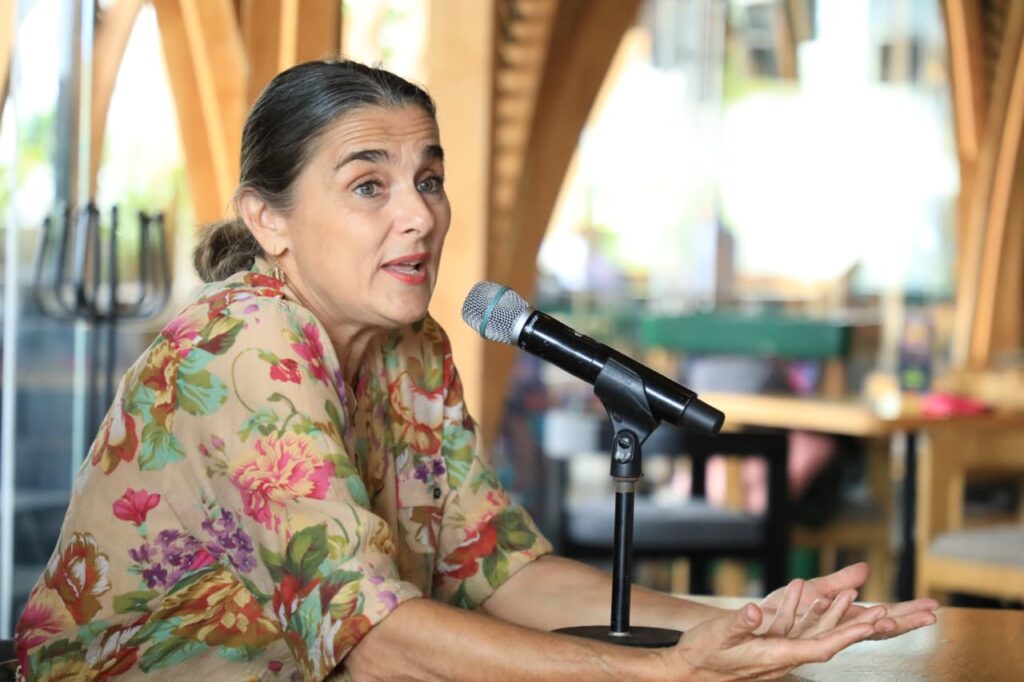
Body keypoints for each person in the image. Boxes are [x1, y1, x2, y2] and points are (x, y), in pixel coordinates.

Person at [14, 59, 938, 681]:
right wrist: (655, 671)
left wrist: (739, 624)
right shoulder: (247, 340)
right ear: (270, 221)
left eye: (428, 179)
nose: (417, 217)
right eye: (369, 185)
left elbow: (501, 572)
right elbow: (367, 639)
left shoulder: (411, 348)